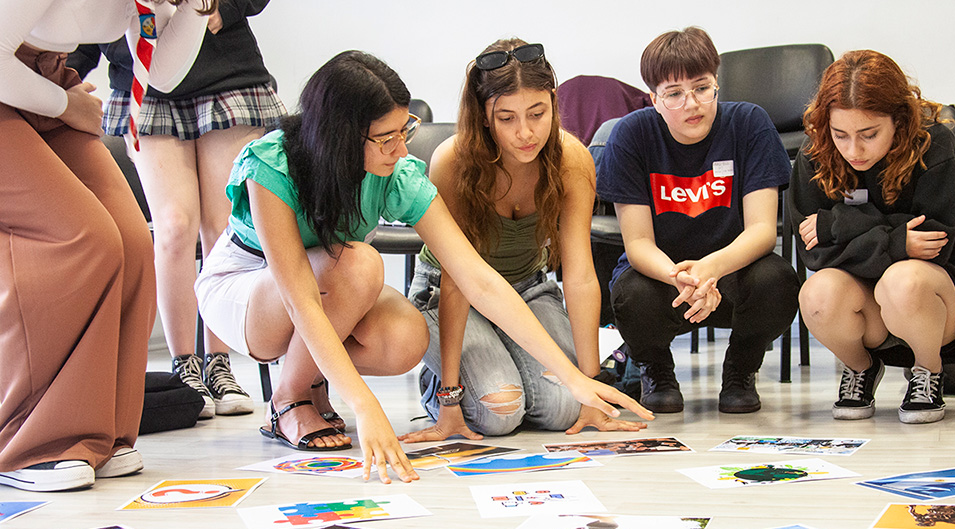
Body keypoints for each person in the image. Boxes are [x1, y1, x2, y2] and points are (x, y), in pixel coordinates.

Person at [194, 50, 651, 484]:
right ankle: (288, 399)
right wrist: (365, 405)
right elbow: (300, 299)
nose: (400, 148)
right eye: (385, 137)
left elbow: (475, 277)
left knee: (407, 337)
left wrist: (574, 378)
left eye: (404, 130)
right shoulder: (273, 163)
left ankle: (311, 381)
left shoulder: (397, 172)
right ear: (341, 136)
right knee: (360, 264)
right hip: (249, 288)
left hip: (328, 287)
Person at [0, 0, 213, 492]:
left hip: (48, 83)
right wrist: (65, 105)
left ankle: (97, 432)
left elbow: (163, 74)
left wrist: (197, 9)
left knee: (133, 242)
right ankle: (26, 443)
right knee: (82, 238)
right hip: (22, 83)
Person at [401, 39, 646, 440]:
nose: (526, 133)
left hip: (528, 288)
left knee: (567, 407)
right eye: (507, 118)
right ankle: (439, 382)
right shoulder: (453, 161)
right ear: (484, 116)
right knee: (500, 411)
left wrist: (591, 386)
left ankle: (503, 367)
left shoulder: (572, 159)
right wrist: (450, 400)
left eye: (537, 113)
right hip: (448, 292)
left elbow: (580, 275)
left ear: (554, 103)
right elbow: (458, 281)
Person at [69, 1, 285, 420]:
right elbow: (80, 21)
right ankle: (184, 365)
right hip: (144, 83)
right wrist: (61, 79)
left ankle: (219, 363)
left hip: (227, 76)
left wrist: (225, 8)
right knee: (173, 226)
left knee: (223, 226)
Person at [596, 26, 799, 415]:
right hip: (665, 281)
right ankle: (657, 371)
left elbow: (761, 231)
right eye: (674, 94)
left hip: (733, 273)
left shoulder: (749, 123)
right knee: (630, 294)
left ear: (716, 84)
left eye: (702, 88)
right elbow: (638, 244)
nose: (692, 104)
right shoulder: (631, 135)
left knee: (777, 280)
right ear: (655, 100)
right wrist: (682, 277)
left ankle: (741, 370)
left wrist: (710, 269)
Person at [786, 49, 955, 424]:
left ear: (899, 120)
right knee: (816, 294)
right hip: (863, 301)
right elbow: (815, 254)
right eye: (840, 135)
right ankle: (861, 367)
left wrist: (836, 224)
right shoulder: (815, 152)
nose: (853, 150)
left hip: (932, 302)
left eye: (869, 134)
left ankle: (928, 370)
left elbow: (933, 243)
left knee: (903, 281)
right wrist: (895, 239)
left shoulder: (935, 143)